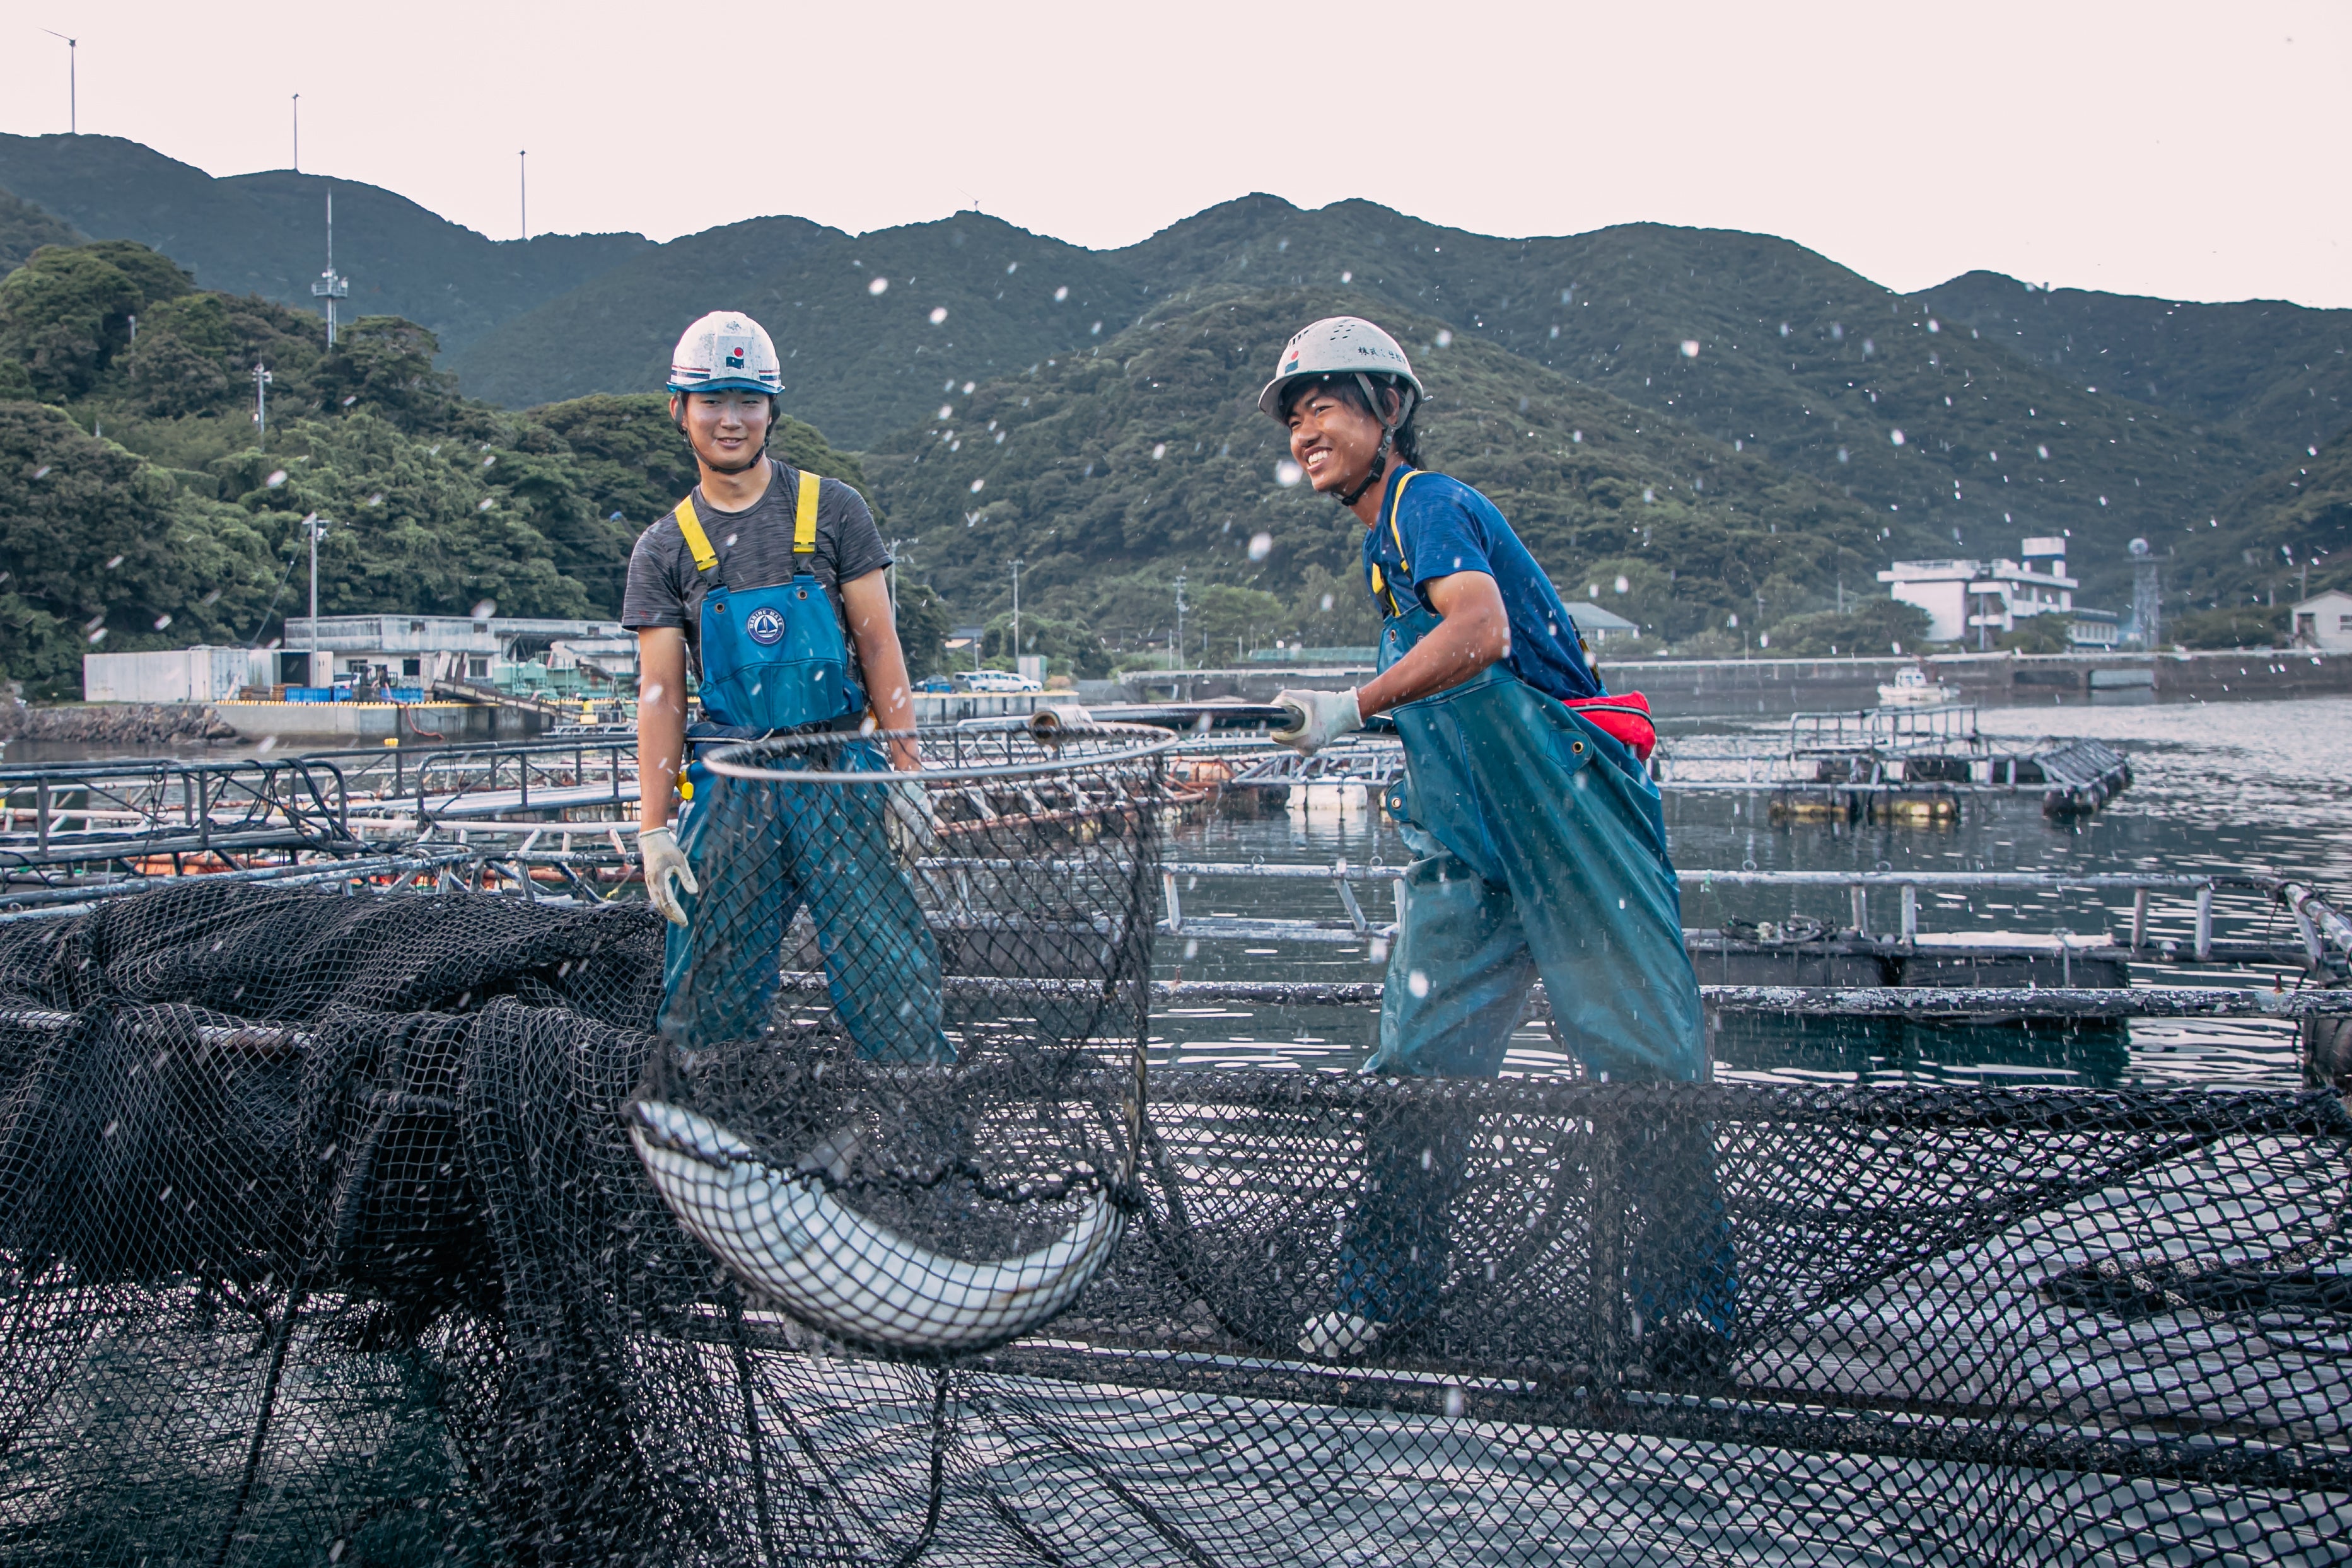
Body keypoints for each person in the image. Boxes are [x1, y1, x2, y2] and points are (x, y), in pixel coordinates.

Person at [1259, 316, 1731, 1364]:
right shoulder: (1384, 550)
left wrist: (1351, 705)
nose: (1305, 432)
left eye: (1325, 405)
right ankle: (1386, 1295)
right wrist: (1352, 713)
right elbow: (1440, 674)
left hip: (1570, 826)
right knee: (1417, 1066)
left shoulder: (1427, 503)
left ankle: (1686, 1309)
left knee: (1647, 1058)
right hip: (1471, 846)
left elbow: (1480, 636)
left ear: (1389, 409)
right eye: (1295, 417)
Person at [624, 310, 948, 1063]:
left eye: (748, 401)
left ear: (773, 410)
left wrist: (908, 773)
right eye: (712, 401)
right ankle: (714, 1132)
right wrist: (653, 828)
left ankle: (917, 1127)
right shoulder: (664, 548)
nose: (730, 420)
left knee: (886, 972)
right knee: (708, 986)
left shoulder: (833, 510)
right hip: (731, 784)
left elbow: (878, 644)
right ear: (679, 410)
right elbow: (663, 697)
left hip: (839, 772)